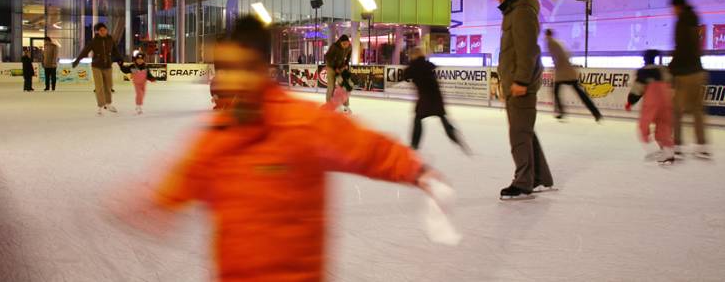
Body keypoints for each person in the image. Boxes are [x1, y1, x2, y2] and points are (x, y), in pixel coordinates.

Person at [109, 15, 443, 280]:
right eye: (227, 71)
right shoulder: (218, 135)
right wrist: (157, 202)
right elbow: (188, 176)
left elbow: (365, 148)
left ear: (260, 69)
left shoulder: (300, 123)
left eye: (242, 70)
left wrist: (416, 169)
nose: (232, 81)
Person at [491, 0, 553, 200]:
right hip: (513, 83)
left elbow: (528, 50)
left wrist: (520, 81)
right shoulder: (512, 12)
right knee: (524, 132)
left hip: (521, 85)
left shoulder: (522, 13)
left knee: (519, 134)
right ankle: (538, 177)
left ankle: (523, 182)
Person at [406, 47, 471, 154]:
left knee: (418, 118)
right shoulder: (427, 65)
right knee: (441, 116)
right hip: (436, 96)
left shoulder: (413, 67)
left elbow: (406, 74)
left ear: (413, 56)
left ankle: (414, 144)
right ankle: (453, 136)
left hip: (425, 97)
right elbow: (429, 68)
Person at [669, 0, 710, 158]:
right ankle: (701, 145)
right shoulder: (694, 19)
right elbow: (694, 46)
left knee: (677, 111)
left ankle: (677, 144)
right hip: (698, 71)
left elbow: (681, 47)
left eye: (673, 8)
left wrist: (671, 68)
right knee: (697, 110)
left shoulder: (681, 22)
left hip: (684, 73)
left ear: (678, 7)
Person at [626, 49, 675, 164]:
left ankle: (653, 150)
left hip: (652, 102)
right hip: (666, 101)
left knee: (643, 127)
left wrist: (630, 102)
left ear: (645, 59)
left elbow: (637, 89)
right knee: (664, 128)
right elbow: (672, 85)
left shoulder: (643, 72)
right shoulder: (663, 70)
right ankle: (669, 153)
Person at [545, 29, 602, 121]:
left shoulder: (551, 43)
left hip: (563, 73)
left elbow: (558, 57)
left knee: (557, 91)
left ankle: (561, 111)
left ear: (547, 35)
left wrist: (556, 65)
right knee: (579, 93)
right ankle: (596, 113)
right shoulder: (558, 42)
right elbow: (567, 54)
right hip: (567, 72)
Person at [72, 23, 124, 115]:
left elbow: (115, 50)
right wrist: (77, 60)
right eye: (101, 30)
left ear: (106, 30)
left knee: (109, 86)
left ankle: (108, 104)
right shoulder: (94, 41)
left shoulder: (110, 39)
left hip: (108, 65)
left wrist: (120, 60)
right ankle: (100, 106)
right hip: (96, 66)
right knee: (99, 86)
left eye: (104, 29)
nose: (103, 31)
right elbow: (85, 51)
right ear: (98, 31)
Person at [324, 35, 352, 112]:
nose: (345, 46)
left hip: (341, 66)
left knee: (344, 86)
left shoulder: (349, 46)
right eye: (343, 44)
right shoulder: (334, 47)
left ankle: (346, 106)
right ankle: (329, 105)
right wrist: (334, 67)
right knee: (331, 86)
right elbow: (328, 57)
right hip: (331, 67)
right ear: (340, 42)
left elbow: (349, 54)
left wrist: (346, 64)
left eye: (347, 44)